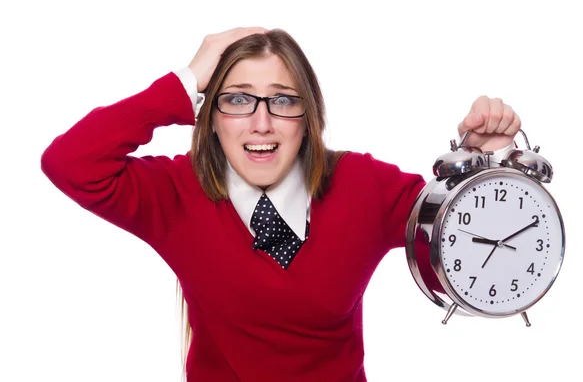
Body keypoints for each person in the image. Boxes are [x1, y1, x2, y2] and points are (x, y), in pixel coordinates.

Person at [40, 27, 521, 381]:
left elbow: (474, 240)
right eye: (237, 100)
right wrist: (183, 82)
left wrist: (481, 163)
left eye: (283, 101)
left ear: (308, 118)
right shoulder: (177, 192)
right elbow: (68, 162)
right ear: (209, 119)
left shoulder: (362, 185)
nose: (261, 123)